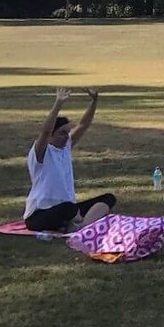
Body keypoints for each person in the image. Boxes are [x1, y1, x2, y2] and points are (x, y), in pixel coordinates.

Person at [24, 87, 115, 233]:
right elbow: (46, 131)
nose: (67, 136)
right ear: (51, 136)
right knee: (69, 208)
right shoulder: (41, 152)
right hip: (38, 216)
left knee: (108, 199)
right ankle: (76, 222)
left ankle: (81, 227)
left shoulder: (66, 147)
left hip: (68, 209)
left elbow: (83, 125)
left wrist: (94, 102)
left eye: (67, 132)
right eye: (62, 133)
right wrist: (58, 103)